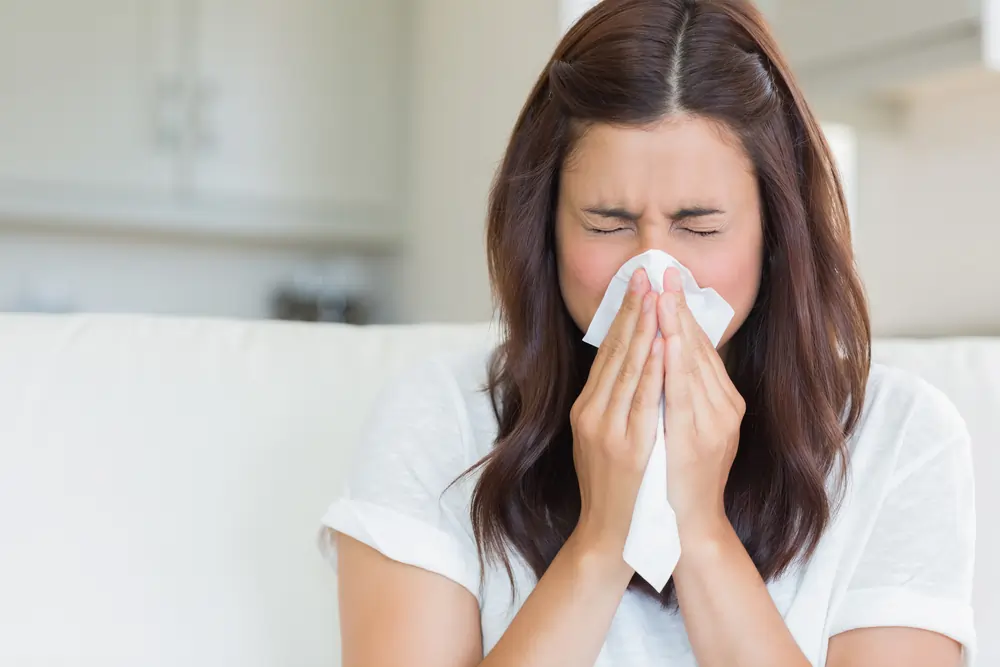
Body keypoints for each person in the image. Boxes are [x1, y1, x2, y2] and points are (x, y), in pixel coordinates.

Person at [319, 0, 976, 665]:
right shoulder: (438, 419)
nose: (653, 275)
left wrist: (700, 529)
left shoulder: (900, 438)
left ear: (776, 233)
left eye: (700, 227)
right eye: (607, 224)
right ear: (544, 230)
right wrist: (602, 540)